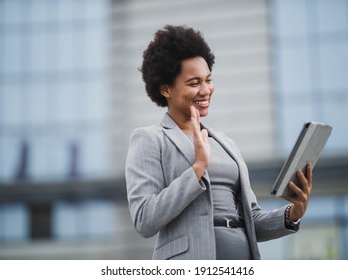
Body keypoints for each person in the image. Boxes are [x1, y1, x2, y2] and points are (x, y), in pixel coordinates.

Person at [125, 25, 312, 260]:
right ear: (165, 89)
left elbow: (251, 219)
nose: (205, 90)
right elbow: (144, 220)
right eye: (194, 83)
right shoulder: (150, 139)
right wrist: (197, 169)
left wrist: (292, 213)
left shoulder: (225, 143)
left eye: (208, 80)